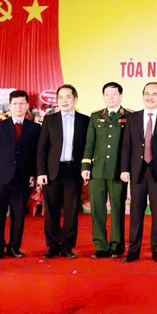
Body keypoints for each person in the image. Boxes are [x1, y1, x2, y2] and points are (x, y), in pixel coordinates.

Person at [119, 82, 157, 263]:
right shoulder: (133, 118)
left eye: (155, 94)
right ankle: (133, 251)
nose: (150, 97)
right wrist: (124, 169)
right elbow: (126, 146)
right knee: (136, 213)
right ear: (143, 95)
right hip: (138, 172)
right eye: (147, 93)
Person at [0, 90, 40, 260]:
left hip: (23, 178)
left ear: (27, 106)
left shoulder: (35, 128)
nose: (18, 107)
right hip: (0, 177)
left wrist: (34, 175)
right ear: (9, 106)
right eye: (15, 104)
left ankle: (15, 247)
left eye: (22, 103)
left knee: (19, 216)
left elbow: (36, 154)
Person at [37, 84, 90, 259]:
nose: (64, 101)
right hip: (52, 171)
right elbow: (42, 148)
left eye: (68, 97)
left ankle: (67, 246)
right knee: (51, 210)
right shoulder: (49, 120)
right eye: (61, 97)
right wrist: (41, 172)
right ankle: (52, 246)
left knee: (71, 211)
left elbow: (88, 148)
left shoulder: (85, 121)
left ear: (75, 99)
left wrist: (86, 169)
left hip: (73, 171)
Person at [82, 82, 130, 259]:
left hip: (118, 171)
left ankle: (117, 245)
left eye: (114, 94)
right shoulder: (96, 117)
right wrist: (85, 166)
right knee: (97, 210)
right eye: (107, 94)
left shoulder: (129, 116)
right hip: (97, 171)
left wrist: (127, 169)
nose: (110, 97)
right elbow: (89, 144)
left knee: (117, 208)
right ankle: (101, 246)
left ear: (120, 96)